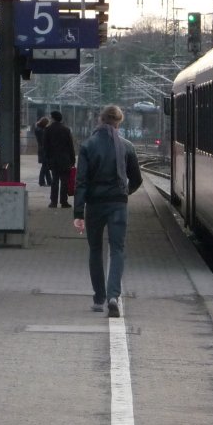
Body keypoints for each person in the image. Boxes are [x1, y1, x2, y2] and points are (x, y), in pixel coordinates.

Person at [73, 105, 143, 318]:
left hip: (94, 205)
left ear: (100, 121)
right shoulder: (127, 146)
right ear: (118, 122)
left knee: (95, 250)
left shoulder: (88, 145)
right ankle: (114, 296)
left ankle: (98, 298)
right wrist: (124, 194)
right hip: (118, 205)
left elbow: (81, 182)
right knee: (117, 250)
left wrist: (77, 213)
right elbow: (137, 179)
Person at [43, 110, 76, 208]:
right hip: (65, 160)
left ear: (53, 118)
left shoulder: (48, 130)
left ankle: (53, 202)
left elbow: (46, 147)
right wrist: (73, 159)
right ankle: (64, 202)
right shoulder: (66, 130)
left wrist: (47, 159)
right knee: (64, 181)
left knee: (54, 181)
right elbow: (70, 146)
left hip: (53, 160)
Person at [33, 116, 52, 188]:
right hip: (44, 149)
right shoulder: (41, 130)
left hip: (42, 149)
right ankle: (42, 181)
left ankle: (49, 181)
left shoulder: (38, 129)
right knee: (45, 166)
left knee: (45, 166)